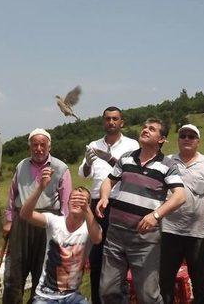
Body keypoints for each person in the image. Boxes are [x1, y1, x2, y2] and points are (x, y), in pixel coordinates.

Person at [96, 118, 186, 304]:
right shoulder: (126, 157)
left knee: (148, 296)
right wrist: (104, 196)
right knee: (107, 290)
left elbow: (180, 196)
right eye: (144, 127)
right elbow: (108, 181)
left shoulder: (168, 166)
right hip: (115, 235)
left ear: (161, 139)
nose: (145, 130)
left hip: (144, 240)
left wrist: (155, 215)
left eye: (151, 129)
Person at [77, 106, 139, 304]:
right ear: (103, 122)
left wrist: (111, 159)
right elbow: (83, 174)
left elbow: (132, 174)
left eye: (115, 119)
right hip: (97, 203)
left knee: (120, 256)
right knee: (96, 257)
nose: (111, 122)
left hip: (121, 202)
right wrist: (87, 162)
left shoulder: (132, 145)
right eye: (107, 119)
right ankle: (97, 299)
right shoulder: (93, 144)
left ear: (122, 122)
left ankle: (120, 299)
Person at [3, 128, 73, 304]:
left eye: (43, 144)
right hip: (22, 221)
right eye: (35, 145)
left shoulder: (60, 168)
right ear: (30, 147)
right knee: (14, 272)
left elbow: (66, 202)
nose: (39, 148)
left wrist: (64, 230)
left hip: (47, 221)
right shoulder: (21, 165)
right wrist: (8, 220)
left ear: (49, 146)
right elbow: (12, 195)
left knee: (42, 272)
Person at [19, 165, 102, 304]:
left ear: (88, 205)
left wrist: (87, 209)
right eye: (74, 198)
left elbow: (97, 238)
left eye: (82, 200)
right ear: (67, 203)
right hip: (45, 295)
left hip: (72, 296)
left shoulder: (89, 227)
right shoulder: (55, 221)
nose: (77, 201)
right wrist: (40, 187)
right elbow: (25, 214)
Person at [159, 124, 204, 304]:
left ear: (198, 141)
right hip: (169, 230)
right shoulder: (166, 161)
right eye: (183, 136)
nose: (187, 139)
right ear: (178, 140)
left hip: (200, 231)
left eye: (191, 136)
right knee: (165, 279)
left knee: (201, 281)